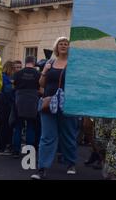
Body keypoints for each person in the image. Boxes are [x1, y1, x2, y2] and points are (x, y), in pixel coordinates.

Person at [31, 37, 79, 180]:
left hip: (68, 104)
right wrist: (44, 71)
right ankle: (42, 168)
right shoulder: (50, 63)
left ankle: (71, 163)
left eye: (66, 44)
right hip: (48, 103)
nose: (63, 46)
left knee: (68, 135)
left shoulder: (74, 64)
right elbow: (41, 84)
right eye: (61, 44)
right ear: (56, 48)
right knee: (47, 136)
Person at [12, 55, 40, 158]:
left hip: (19, 100)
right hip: (33, 100)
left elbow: (14, 86)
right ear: (34, 62)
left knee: (18, 126)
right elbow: (41, 88)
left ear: (25, 62)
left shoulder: (18, 73)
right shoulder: (38, 74)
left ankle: (15, 150)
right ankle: (29, 151)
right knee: (31, 126)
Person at [0, 60, 15, 155]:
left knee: (3, 127)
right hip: (6, 105)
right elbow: (8, 91)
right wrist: (13, 86)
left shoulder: (2, 76)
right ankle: (2, 148)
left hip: (2, 105)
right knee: (5, 127)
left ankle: (1, 147)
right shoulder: (5, 78)